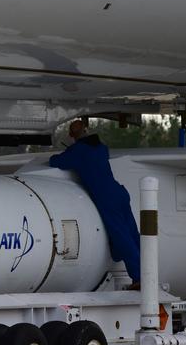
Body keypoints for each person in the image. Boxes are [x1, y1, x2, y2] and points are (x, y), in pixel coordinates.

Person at [49, 120, 142, 287]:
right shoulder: (101, 147)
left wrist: (67, 152)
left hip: (106, 197)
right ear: (86, 130)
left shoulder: (78, 151)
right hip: (119, 192)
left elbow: (56, 162)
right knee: (133, 234)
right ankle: (148, 272)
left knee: (121, 236)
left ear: (71, 135)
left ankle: (138, 277)